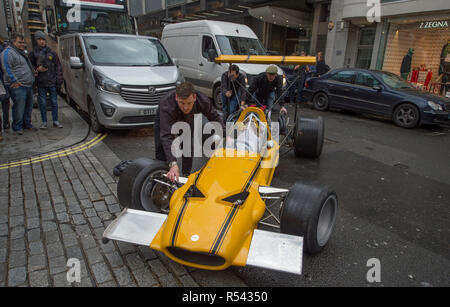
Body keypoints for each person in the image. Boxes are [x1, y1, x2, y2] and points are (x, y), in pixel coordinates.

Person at [154, 82, 225, 182]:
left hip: (187, 119)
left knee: (187, 145)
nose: (186, 107)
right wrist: (173, 163)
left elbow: (215, 117)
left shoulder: (203, 100)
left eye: (189, 103)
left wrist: (225, 134)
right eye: (182, 103)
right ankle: (162, 175)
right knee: (161, 147)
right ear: (176, 97)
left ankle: (185, 176)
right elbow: (166, 136)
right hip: (166, 119)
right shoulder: (166, 105)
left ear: (194, 97)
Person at [1, 33, 35, 135]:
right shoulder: (7, 53)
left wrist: (33, 72)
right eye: (20, 42)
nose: (22, 44)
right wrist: (14, 81)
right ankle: (17, 126)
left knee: (28, 106)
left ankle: (26, 124)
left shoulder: (21, 52)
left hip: (27, 84)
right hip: (18, 86)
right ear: (13, 42)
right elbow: (7, 69)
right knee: (19, 107)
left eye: (23, 42)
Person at [28, 31, 63, 129]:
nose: (42, 41)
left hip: (52, 81)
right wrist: (36, 69)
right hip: (41, 82)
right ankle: (44, 122)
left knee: (54, 103)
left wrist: (59, 81)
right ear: (36, 40)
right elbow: (30, 67)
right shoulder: (32, 54)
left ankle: (55, 121)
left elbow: (58, 67)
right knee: (42, 103)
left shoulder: (52, 53)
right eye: (39, 39)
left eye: (43, 39)